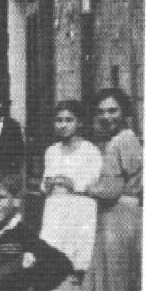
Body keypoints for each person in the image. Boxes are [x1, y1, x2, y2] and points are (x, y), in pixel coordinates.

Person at [79, 88, 142, 291]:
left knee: (116, 290)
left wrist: (84, 187)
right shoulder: (124, 140)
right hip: (119, 217)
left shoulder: (122, 140)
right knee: (117, 290)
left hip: (119, 217)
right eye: (101, 112)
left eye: (113, 111)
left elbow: (111, 190)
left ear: (125, 112)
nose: (106, 117)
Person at [38, 100, 102, 280]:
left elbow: (94, 185)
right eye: (59, 120)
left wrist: (71, 182)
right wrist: (47, 185)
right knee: (51, 264)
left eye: (69, 120)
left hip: (79, 212)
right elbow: (44, 184)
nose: (63, 125)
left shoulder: (90, 151)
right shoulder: (52, 151)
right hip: (55, 212)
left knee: (77, 265)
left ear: (79, 122)